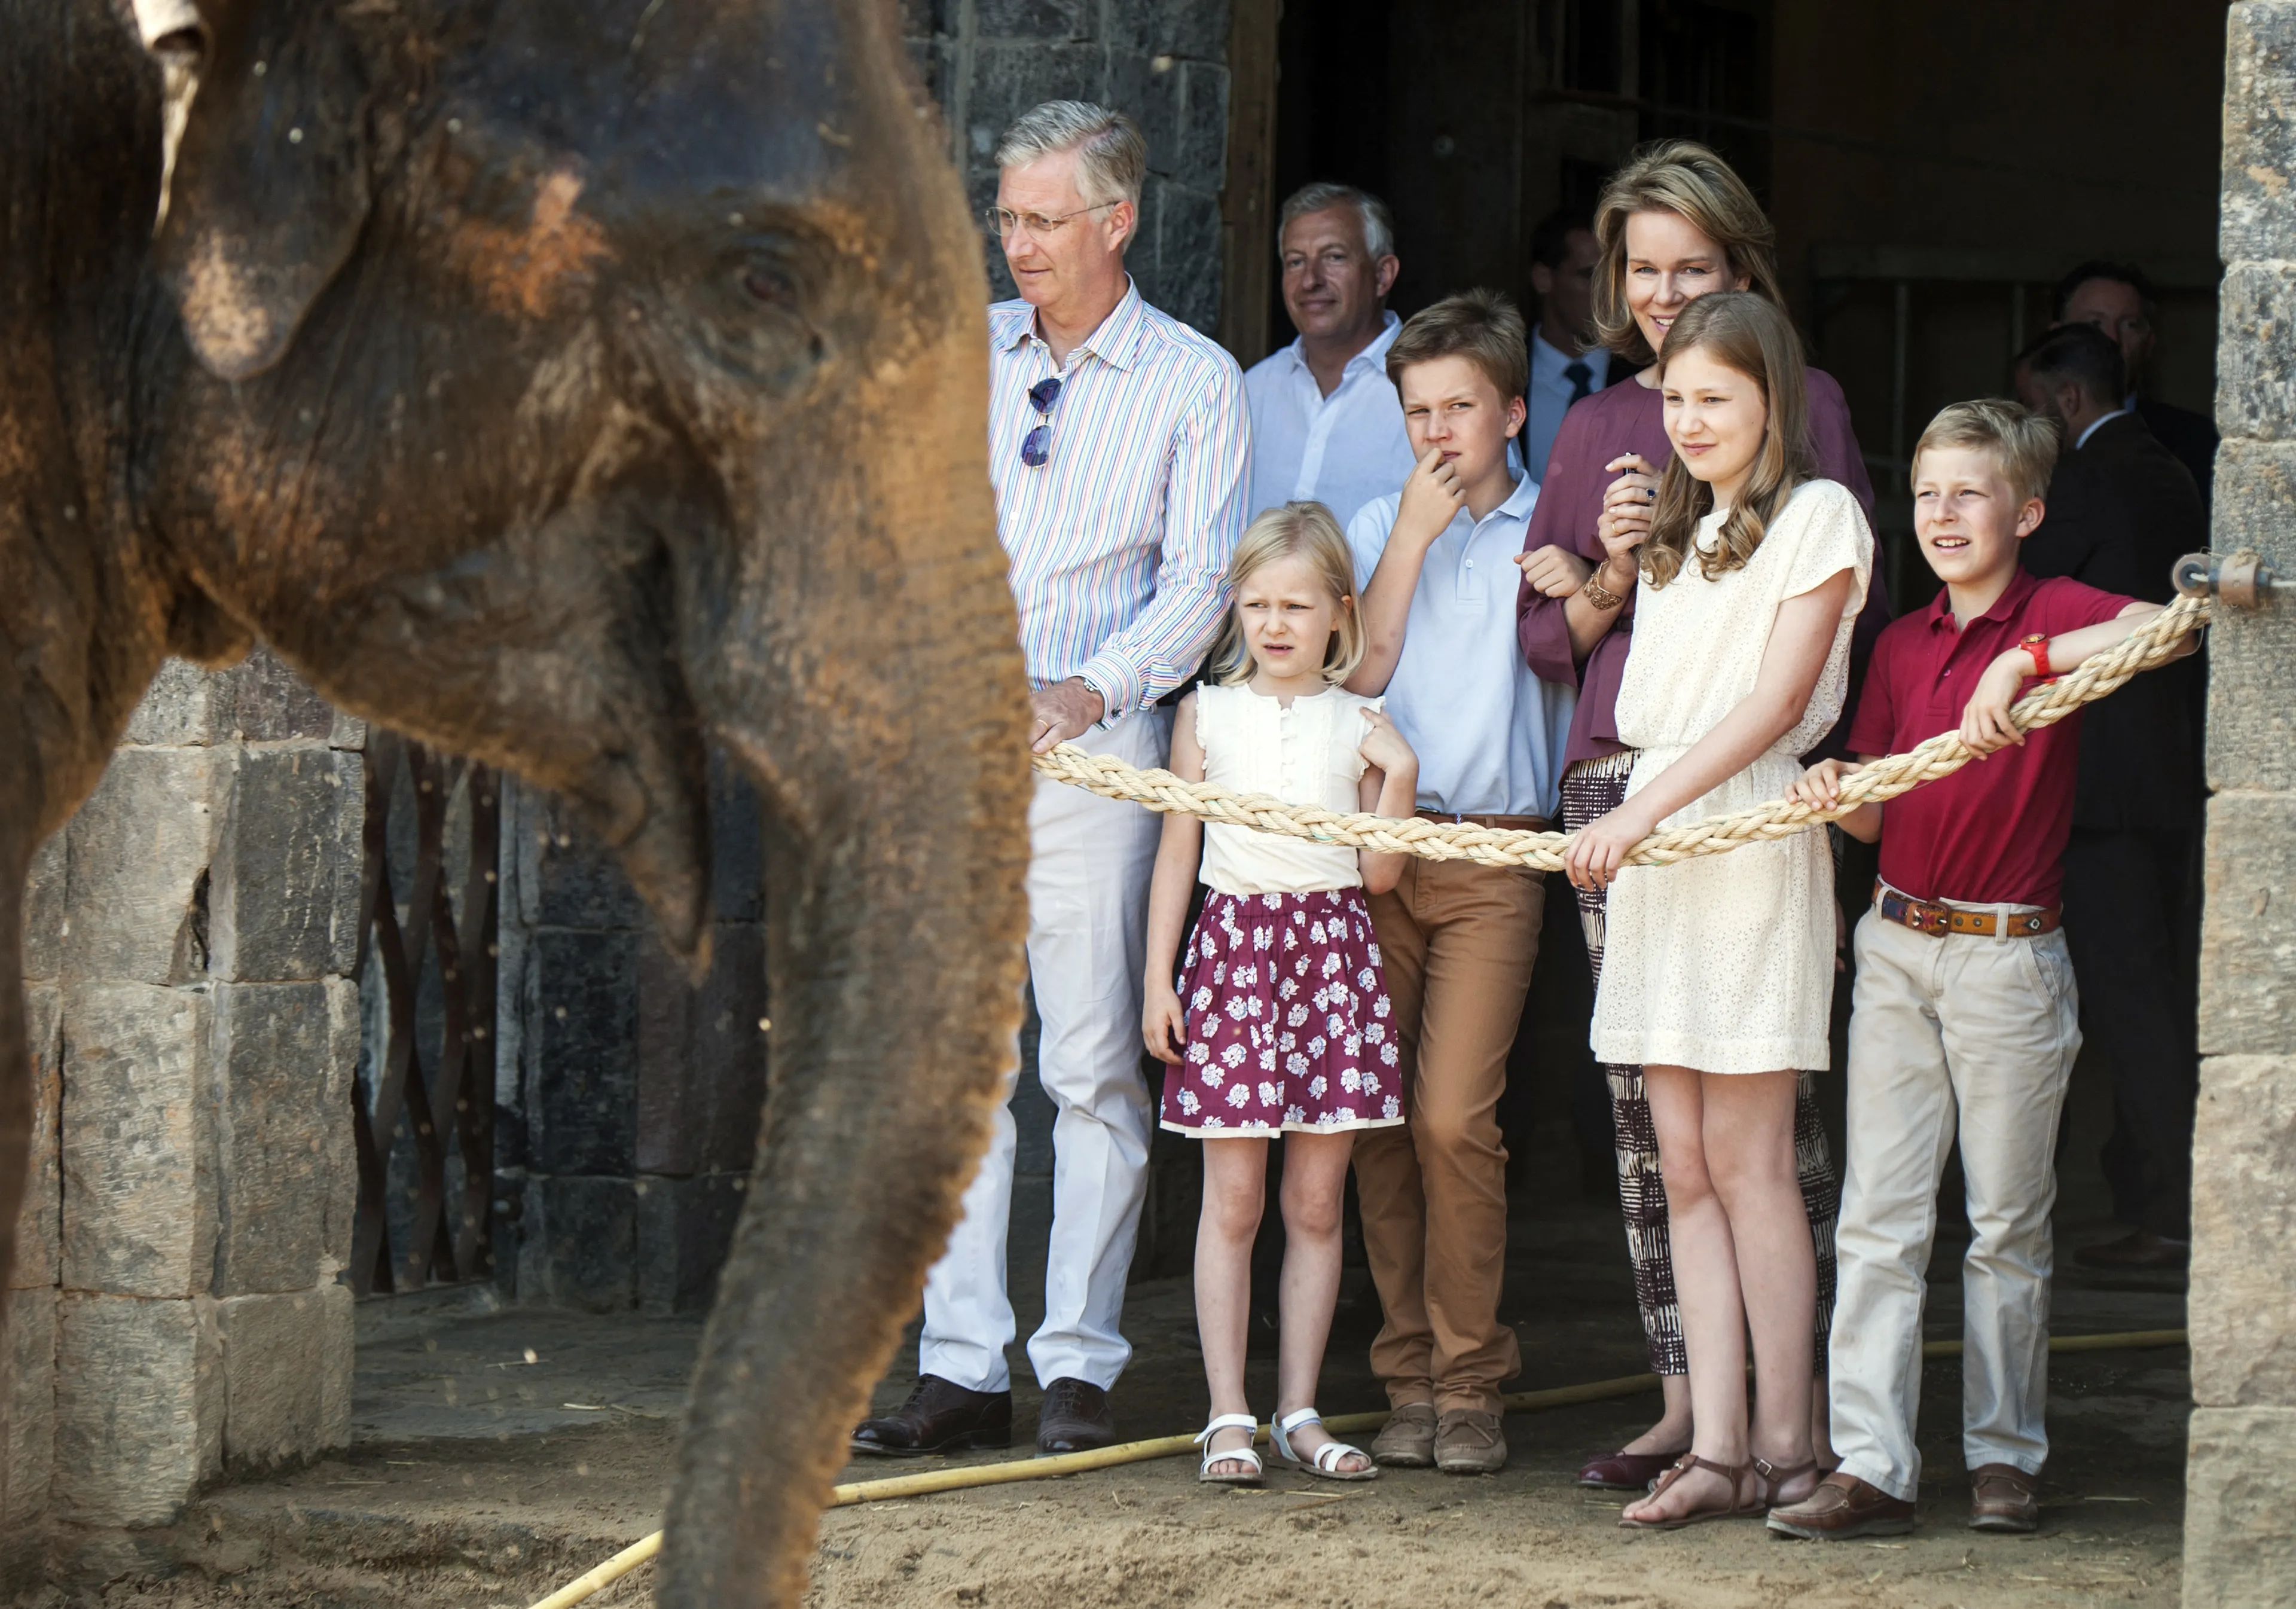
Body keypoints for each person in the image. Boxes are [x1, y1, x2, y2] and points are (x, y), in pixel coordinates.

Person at [853, 100, 1249, 1459]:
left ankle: (1077, 1362)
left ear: (1115, 220)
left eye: (1042, 219)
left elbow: (1201, 583)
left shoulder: (1193, 378)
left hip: (1097, 755)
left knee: (1090, 1068)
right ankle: (960, 1369)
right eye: (1007, 216)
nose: (1015, 242)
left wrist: (1084, 690)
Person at [1513, 139, 1880, 1492]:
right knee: (1679, 1161)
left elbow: (1774, 708)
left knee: (1755, 1158)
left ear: (1772, 394)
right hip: (1657, 855)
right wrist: (1601, 575)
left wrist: (1637, 816)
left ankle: (1787, 1435)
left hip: (1738, 845)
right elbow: (1616, 685)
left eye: (1714, 397)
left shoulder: (1819, 517)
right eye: (1673, 398)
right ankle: (1715, 1442)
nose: (1687, 418)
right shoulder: (1675, 540)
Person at [1770, 400, 2199, 1540]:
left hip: (2010, 957)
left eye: (1970, 492)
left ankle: (2005, 1457)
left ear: (2028, 512)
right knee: (1879, 1218)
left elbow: (2172, 628)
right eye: (1927, 493)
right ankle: (1873, 1464)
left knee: (2007, 1223)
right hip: (1898, 947)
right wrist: (1837, 796)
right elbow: (1877, 814)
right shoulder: (1900, 644)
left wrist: (2026, 659)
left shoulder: (2051, 610)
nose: (1944, 514)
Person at [1341, 290, 1576, 1476]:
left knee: (1451, 1119)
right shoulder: (1379, 522)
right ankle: (1409, 1379)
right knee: (1377, 1122)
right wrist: (1410, 539)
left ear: (1514, 412)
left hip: (1496, 858)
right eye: (1418, 411)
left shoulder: (1555, 527)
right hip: (1379, 853)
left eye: (1461, 408)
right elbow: (1358, 673)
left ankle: (1473, 1378)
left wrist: (1583, 578)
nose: (1437, 432)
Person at [1141, 502, 1419, 1486]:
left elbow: (1380, 875)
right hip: (1233, 958)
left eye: (1296, 605)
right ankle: (1227, 1413)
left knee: (1314, 1200)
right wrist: (1158, 978)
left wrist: (1399, 774)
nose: (1275, 623)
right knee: (1235, 1199)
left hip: (1330, 960)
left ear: (1339, 611)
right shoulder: (1206, 716)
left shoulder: (1361, 724)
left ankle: (1299, 1410)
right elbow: (1178, 851)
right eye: (1257, 603)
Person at [2013, 322, 2208, 1271]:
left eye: (2030, 408)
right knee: (2152, 996)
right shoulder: (2169, 465)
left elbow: (2021, 585)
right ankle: (2161, 1201)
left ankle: (2172, 1214)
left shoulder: (2088, 477)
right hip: (2164, 776)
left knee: (2131, 1007)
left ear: (2065, 398)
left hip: (2100, 785)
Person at [1243, 184, 1417, 529]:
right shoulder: (1252, 389)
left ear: (1382, 275)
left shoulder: (1438, 391)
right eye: (1296, 261)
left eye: (1334, 257)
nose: (1310, 280)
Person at [2053, 259, 2218, 506]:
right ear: (2056, 338)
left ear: (2149, 343)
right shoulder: (2018, 436)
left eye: (2129, 325)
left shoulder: (2199, 443)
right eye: (2094, 324)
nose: (2112, 339)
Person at [1521, 208, 1617, 482]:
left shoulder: (1646, 375)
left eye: (1612, 277)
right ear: (1543, 279)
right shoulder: (1502, 373)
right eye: (1589, 275)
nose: (1607, 292)